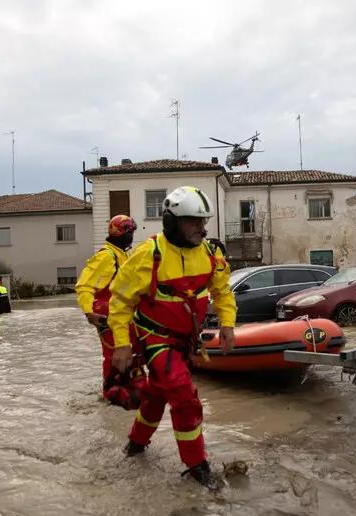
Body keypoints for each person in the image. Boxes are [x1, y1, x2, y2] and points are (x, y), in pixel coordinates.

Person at [108, 186, 236, 490]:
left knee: (156, 395)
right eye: (193, 221)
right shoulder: (148, 255)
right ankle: (196, 465)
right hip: (155, 339)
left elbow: (222, 292)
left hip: (185, 342)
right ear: (171, 221)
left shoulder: (210, 254)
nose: (202, 228)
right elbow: (120, 302)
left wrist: (228, 325)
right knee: (183, 394)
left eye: (204, 221)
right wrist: (122, 344)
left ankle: (135, 446)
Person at [75, 214, 139, 404]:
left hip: (120, 314)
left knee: (127, 353)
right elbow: (84, 285)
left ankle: (124, 391)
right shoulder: (106, 256)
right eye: (130, 232)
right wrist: (89, 312)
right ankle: (111, 396)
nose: (132, 236)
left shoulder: (121, 255)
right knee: (114, 355)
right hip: (108, 315)